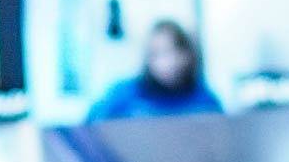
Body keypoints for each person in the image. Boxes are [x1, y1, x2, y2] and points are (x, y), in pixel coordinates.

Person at [85, 19, 224, 121]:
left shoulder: (205, 100)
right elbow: (87, 130)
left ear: (187, 55)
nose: (168, 62)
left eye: (173, 51)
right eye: (158, 53)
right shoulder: (121, 95)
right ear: (148, 58)